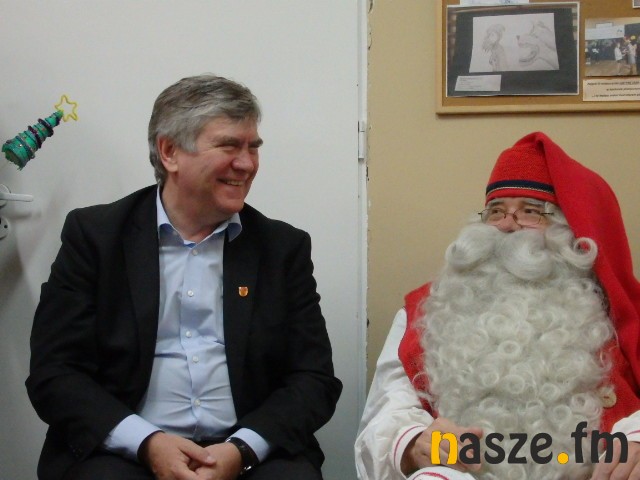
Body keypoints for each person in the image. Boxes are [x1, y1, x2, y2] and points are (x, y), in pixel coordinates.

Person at [26, 74, 342, 480]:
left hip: (245, 448)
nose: (247, 163)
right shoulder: (96, 237)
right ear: (170, 152)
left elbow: (313, 379)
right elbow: (56, 373)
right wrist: (147, 443)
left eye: (253, 147)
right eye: (229, 146)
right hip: (125, 450)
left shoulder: (282, 248)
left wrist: (241, 450)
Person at [355, 132, 640, 480]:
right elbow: (385, 415)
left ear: (569, 230)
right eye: (496, 211)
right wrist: (414, 444)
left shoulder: (616, 313)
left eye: (530, 212)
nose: (507, 225)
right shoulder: (426, 312)